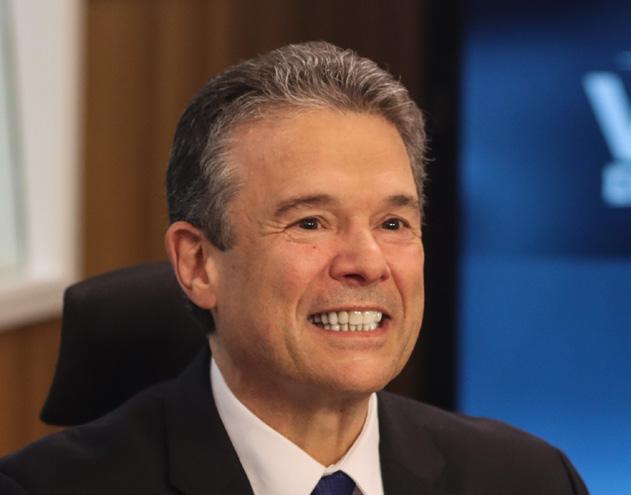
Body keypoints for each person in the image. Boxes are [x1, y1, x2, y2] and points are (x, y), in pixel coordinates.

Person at [0, 42, 587, 495]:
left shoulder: (530, 479)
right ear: (198, 264)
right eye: (310, 222)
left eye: (392, 223)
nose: (367, 264)